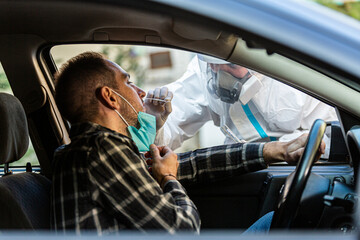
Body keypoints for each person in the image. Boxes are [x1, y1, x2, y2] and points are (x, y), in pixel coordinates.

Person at [51, 52, 323, 235]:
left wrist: (274, 151)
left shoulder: (94, 150)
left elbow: (191, 164)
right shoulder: (101, 152)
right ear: (110, 98)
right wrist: (168, 177)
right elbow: (182, 229)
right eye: (129, 83)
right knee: (279, 225)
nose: (141, 92)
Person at [152, 55, 337, 151]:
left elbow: (331, 137)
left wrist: (281, 148)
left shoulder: (296, 75)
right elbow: (176, 118)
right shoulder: (201, 75)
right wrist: (155, 124)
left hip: (294, 171)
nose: (219, 74)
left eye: (232, 66)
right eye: (213, 65)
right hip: (242, 169)